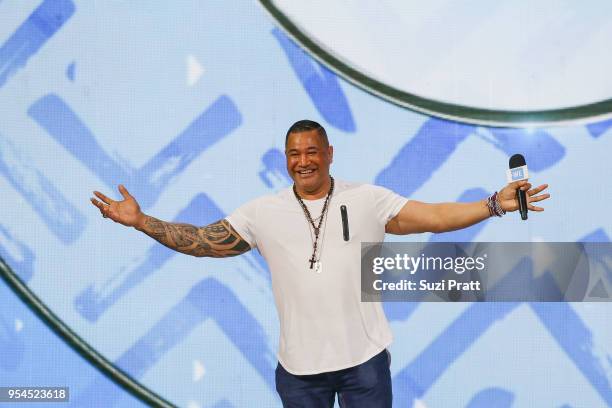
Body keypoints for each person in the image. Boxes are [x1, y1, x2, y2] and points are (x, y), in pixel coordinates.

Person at [90, 120, 550, 407]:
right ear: (286, 160)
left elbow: (432, 216)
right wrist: (141, 221)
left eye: (312, 151)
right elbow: (202, 242)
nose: (303, 161)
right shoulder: (261, 212)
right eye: (295, 154)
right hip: (299, 372)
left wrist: (495, 203)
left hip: (363, 364)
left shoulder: (366, 198)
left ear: (329, 154)